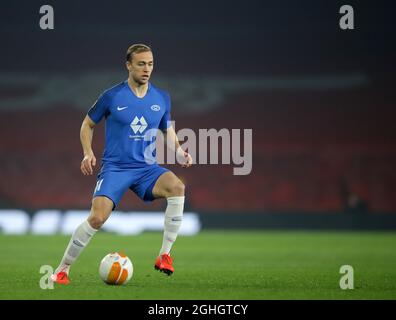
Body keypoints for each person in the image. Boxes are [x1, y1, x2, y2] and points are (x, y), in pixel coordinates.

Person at [51, 44, 193, 284]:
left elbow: (166, 128)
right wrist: (87, 153)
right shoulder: (112, 96)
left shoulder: (161, 98)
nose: (146, 69)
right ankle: (62, 270)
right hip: (115, 168)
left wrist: (179, 150)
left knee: (177, 187)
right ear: (128, 65)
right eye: (141, 64)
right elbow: (87, 124)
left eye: (150, 64)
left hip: (147, 168)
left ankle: (164, 256)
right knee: (97, 218)